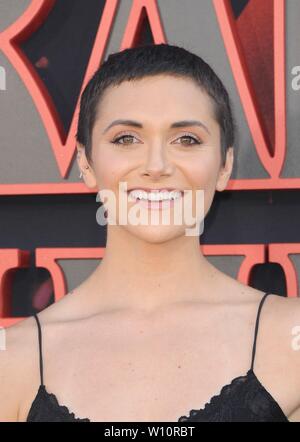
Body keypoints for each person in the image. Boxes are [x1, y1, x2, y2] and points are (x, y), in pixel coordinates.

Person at [0, 43, 299, 422]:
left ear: (225, 164)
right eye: (126, 138)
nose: (156, 165)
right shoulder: (14, 360)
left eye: (186, 139)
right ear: (85, 162)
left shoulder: (290, 340)